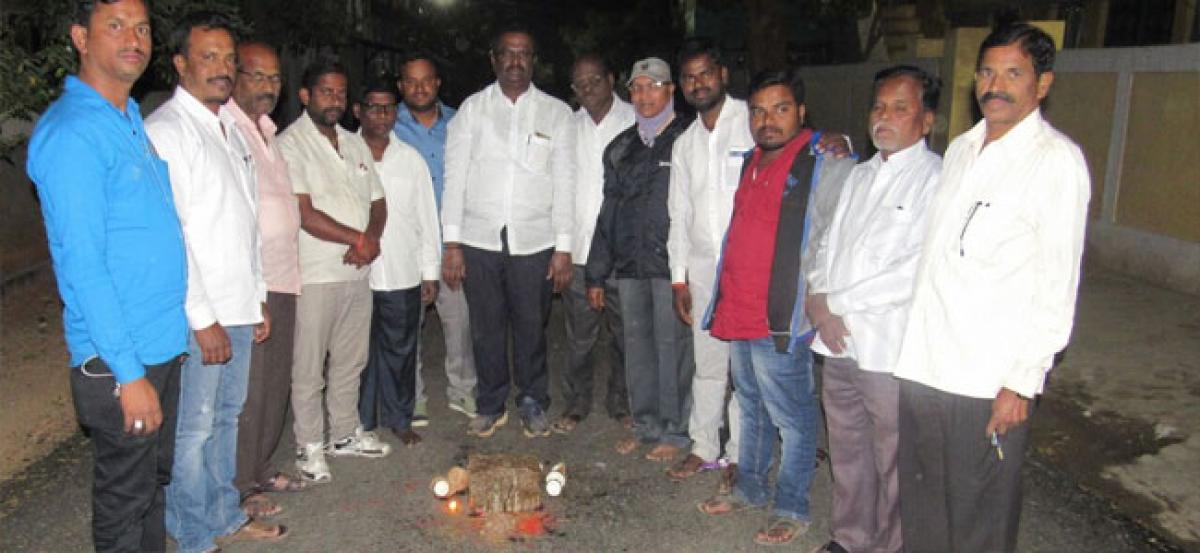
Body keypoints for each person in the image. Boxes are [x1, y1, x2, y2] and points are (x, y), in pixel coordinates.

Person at [893, 23, 1090, 553]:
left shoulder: (1055, 162)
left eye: (1013, 73)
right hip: (924, 365)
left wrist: (1022, 383)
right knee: (924, 505)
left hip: (985, 380)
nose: (994, 85)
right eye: (986, 71)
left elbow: (1057, 282)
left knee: (979, 517)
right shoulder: (961, 147)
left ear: (1042, 84)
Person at [27, 1, 186, 549]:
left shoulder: (126, 118)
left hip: (159, 344)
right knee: (124, 501)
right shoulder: (73, 133)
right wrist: (129, 373)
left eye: (142, 28)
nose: (134, 39)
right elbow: (84, 266)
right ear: (79, 37)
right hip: (121, 358)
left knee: (151, 488)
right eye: (114, 26)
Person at [144, 12, 286, 550]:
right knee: (195, 428)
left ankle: (223, 513)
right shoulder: (168, 132)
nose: (222, 68)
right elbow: (173, 236)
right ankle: (191, 530)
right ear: (180, 63)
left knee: (227, 418)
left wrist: (257, 297)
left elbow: (242, 221)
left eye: (228, 58)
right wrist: (202, 319)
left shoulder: (227, 128)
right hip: (199, 313)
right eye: (208, 57)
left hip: (239, 304)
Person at [696, 69, 854, 547]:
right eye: (759, 110)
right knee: (751, 408)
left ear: (802, 113)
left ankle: (791, 506)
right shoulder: (752, 161)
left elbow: (848, 213)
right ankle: (749, 488)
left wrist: (846, 142)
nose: (768, 120)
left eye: (781, 108)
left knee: (793, 415)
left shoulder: (822, 160)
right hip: (740, 308)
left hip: (780, 316)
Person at [805, 65, 943, 553]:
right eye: (879, 107)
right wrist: (818, 297)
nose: (884, 117)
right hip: (838, 342)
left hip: (888, 349)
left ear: (926, 120)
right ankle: (849, 538)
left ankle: (890, 546)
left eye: (900, 108)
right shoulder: (860, 174)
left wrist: (836, 302)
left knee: (893, 460)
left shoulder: (936, 180)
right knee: (847, 451)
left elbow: (915, 270)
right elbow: (828, 244)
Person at [442, 24, 575, 438]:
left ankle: (534, 400)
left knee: (532, 326)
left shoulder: (556, 113)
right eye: (508, 54)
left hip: (535, 241)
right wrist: (452, 242)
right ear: (494, 59)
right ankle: (491, 402)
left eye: (524, 54)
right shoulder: (472, 110)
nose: (516, 62)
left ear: (533, 61)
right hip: (480, 239)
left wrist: (564, 246)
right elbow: (455, 176)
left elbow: (566, 181)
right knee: (486, 327)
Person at [278, 60, 391, 483]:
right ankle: (309, 446)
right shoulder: (291, 143)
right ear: (306, 95)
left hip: (357, 272)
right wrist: (357, 239)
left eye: (342, 93)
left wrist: (371, 239)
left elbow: (378, 203)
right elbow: (304, 213)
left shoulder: (354, 142)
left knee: (350, 361)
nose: (335, 100)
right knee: (308, 367)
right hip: (316, 273)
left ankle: (343, 434)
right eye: (326, 92)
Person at [586, 57, 695, 461]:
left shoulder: (690, 138)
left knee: (673, 350)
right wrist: (597, 273)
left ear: (671, 91)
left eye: (654, 86)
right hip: (629, 267)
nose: (644, 95)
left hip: (672, 266)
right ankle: (646, 424)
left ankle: (676, 430)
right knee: (637, 349)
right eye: (637, 87)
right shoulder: (621, 147)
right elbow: (608, 212)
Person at [227, 40, 308, 519]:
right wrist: (253, 289)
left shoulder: (266, 131)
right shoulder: (230, 131)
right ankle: (240, 485)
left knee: (275, 384)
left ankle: (260, 468)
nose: (268, 86)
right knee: (250, 389)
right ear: (236, 76)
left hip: (283, 276)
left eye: (275, 78)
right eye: (257, 76)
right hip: (253, 282)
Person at [664, 38, 750, 490]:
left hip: (746, 270)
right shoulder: (685, 144)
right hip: (701, 270)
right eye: (689, 77)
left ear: (723, 75)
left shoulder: (753, 122)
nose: (698, 83)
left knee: (744, 370)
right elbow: (679, 216)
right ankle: (703, 446)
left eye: (705, 74)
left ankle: (739, 453)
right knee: (708, 364)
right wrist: (679, 280)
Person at [354, 79, 442, 447]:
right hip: (355, 274)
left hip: (403, 272)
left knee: (402, 353)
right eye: (373, 107)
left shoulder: (410, 159)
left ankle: (399, 419)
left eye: (388, 107)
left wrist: (430, 272)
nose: (381, 115)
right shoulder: (344, 153)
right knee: (357, 355)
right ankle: (359, 423)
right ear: (358, 111)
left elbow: (427, 218)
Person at [552, 53, 635, 435]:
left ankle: (622, 402)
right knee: (579, 336)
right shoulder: (568, 126)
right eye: (580, 85)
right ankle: (577, 403)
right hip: (581, 251)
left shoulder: (637, 120)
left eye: (595, 81)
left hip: (622, 253)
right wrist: (562, 248)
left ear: (612, 78)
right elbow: (561, 190)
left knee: (625, 334)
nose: (588, 90)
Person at [393, 52, 476, 425]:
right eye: (411, 81)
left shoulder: (460, 122)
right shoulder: (386, 123)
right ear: (401, 87)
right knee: (408, 326)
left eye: (426, 80)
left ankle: (463, 390)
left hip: (451, 245)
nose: (420, 87)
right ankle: (414, 398)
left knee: (459, 323)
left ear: (438, 83)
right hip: (406, 246)